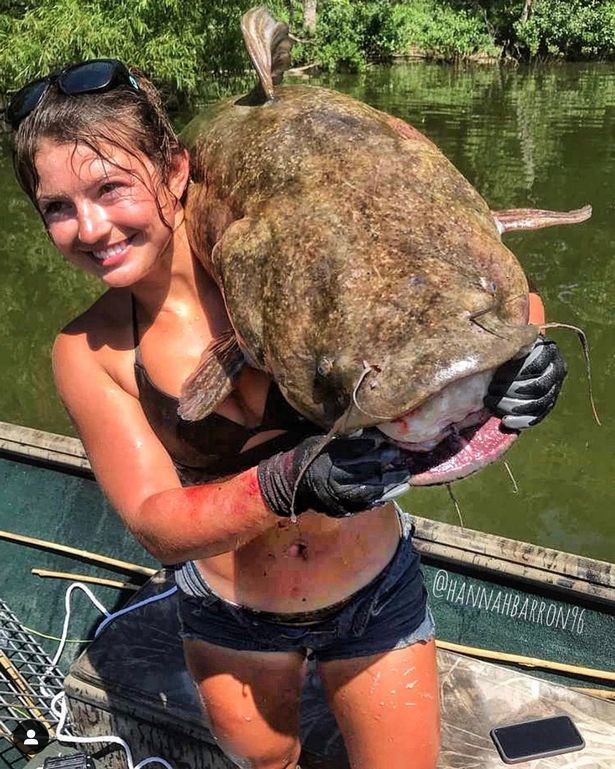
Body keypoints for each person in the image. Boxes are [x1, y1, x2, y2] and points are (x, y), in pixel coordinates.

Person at [7, 59, 566, 769]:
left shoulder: (296, 251)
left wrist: (521, 361)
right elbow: (156, 523)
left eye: (110, 188)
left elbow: (476, 295)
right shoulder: (89, 350)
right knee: (268, 762)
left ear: (175, 170)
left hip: (370, 591)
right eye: (58, 207)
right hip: (230, 614)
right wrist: (284, 483)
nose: (91, 227)